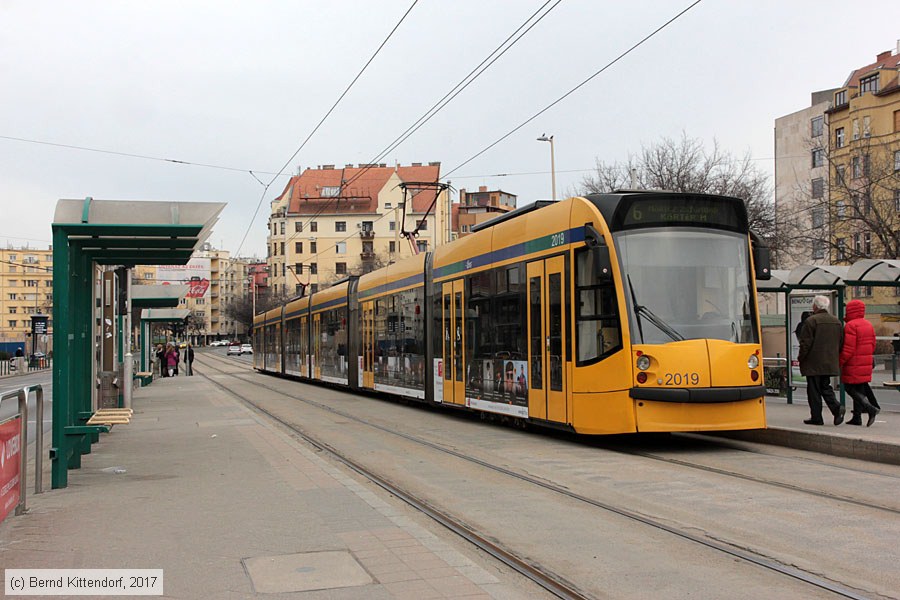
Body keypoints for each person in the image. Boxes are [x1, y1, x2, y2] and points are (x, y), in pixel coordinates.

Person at [798, 295, 845, 426]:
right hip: (829, 361)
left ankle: (817, 417)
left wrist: (801, 358)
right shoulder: (836, 321)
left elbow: (805, 344)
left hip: (813, 363)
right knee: (825, 387)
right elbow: (841, 343)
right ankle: (837, 408)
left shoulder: (811, 321)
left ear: (815, 306)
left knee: (813, 391)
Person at [839, 300, 880, 427]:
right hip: (865, 361)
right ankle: (857, 418)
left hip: (853, 363)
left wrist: (840, 361)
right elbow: (873, 344)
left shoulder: (851, 326)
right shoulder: (868, 324)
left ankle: (870, 408)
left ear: (851, 311)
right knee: (860, 389)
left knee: (849, 387)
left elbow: (848, 349)